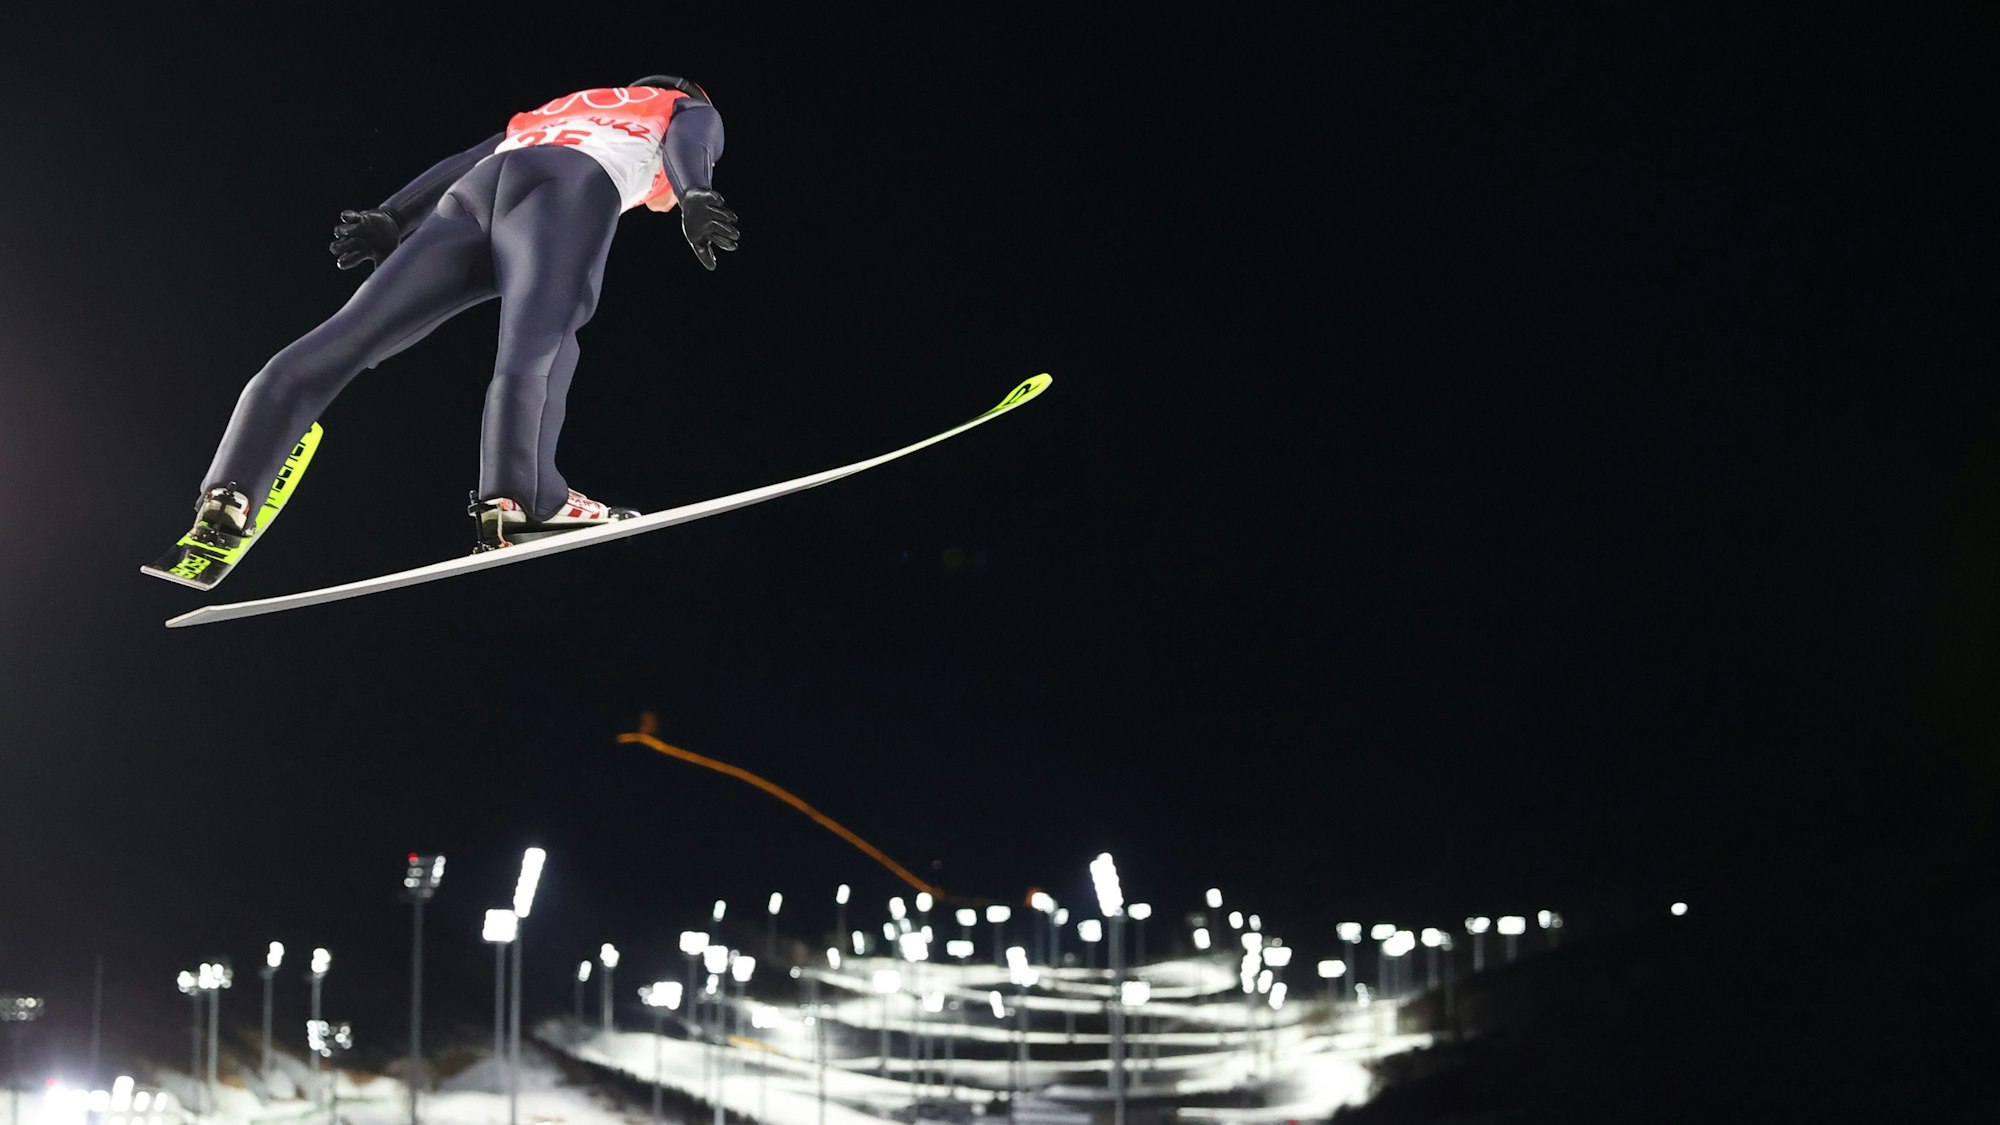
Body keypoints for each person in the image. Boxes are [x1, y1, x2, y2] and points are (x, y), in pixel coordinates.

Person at [163, 74, 738, 574]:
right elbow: (691, 141)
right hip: (567, 187)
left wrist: (392, 214)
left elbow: (470, 157)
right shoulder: (683, 107)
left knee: (346, 336)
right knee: (538, 340)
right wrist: (695, 191)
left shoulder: (568, 107)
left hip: (475, 193)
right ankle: (523, 501)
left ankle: (228, 492)